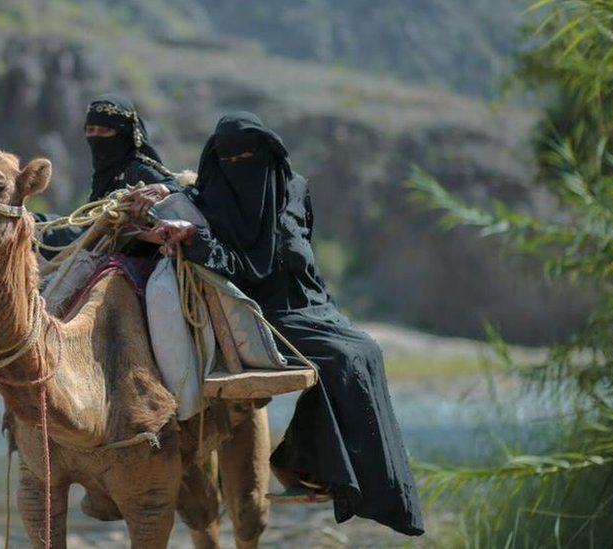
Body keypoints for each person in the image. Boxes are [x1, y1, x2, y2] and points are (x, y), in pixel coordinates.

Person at [133, 112, 424, 536]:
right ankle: (312, 469)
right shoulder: (213, 199)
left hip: (314, 304)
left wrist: (325, 305)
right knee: (341, 359)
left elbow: (303, 249)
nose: (241, 164)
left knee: (367, 350)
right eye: (230, 157)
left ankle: (333, 473)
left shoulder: (296, 188)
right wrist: (192, 235)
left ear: (270, 153)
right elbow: (233, 265)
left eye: (250, 155)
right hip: (266, 311)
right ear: (218, 161)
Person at [0, 92, 179, 364]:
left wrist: (162, 189)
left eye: (104, 130)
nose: (96, 137)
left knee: (15, 231)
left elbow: (179, 190)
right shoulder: (106, 170)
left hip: (102, 239)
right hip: (87, 231)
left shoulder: (141, 168)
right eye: (90, 130)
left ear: (127, 134)